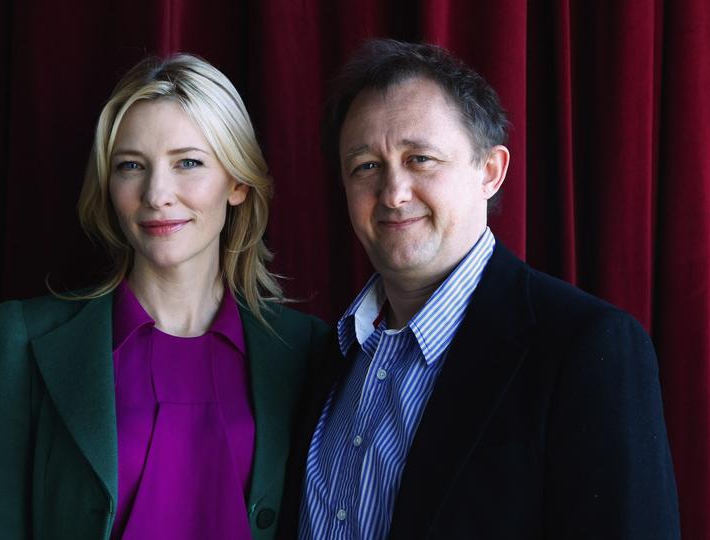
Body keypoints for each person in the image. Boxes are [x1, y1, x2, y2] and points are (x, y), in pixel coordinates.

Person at [278, 39, 680, 539]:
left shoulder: (585, 347)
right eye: (366, 166)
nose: (394, 193)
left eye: (421, 158)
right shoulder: (326, 357)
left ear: (490, 172)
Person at [0, 53, 330, 540]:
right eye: (131, 165)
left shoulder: (308, 350)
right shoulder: (23, 341)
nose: (157, 193)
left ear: (237, 182)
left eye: (188, 163)